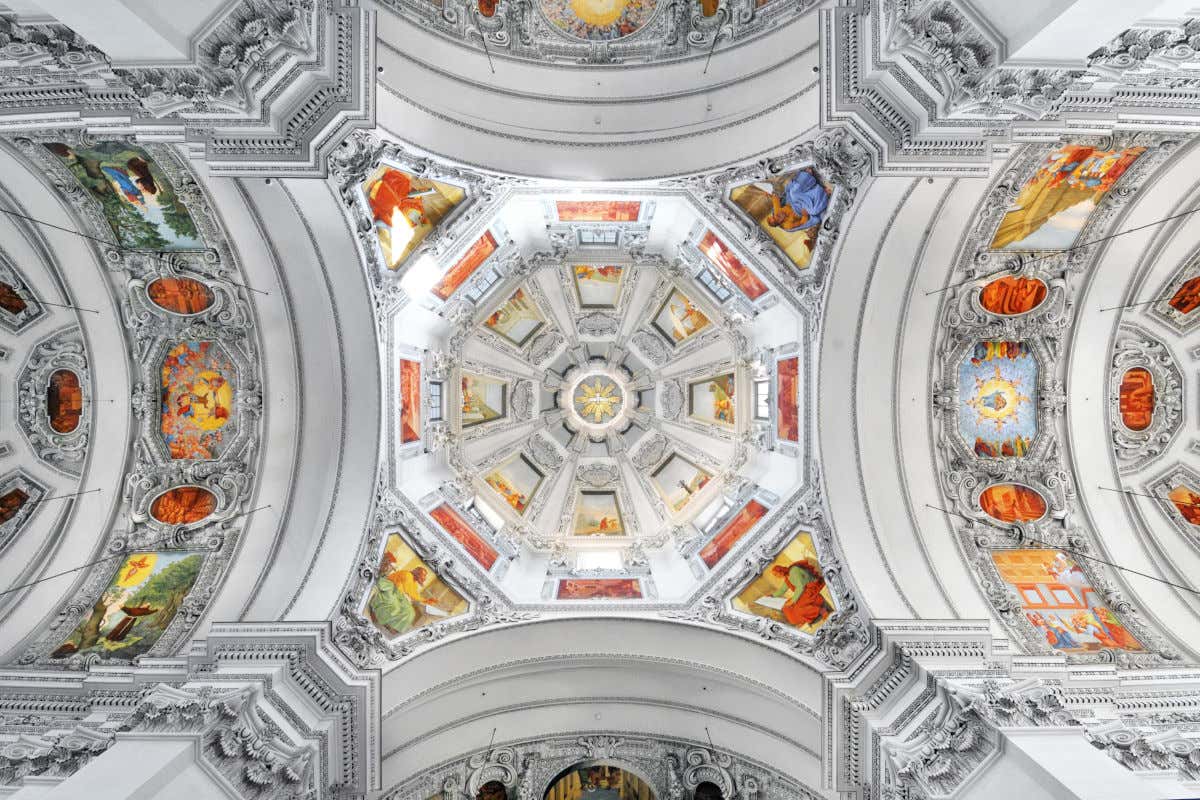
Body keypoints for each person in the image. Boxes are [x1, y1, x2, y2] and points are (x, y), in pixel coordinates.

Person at [770, 558, 832, 627]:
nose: (777, 577)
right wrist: (772, 595)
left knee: (799, 608)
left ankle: (821, 611)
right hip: (803, 591)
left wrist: (793, 601)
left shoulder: (794, 571)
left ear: (780, 571)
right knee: (786, 608)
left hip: (810, 587)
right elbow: (782, 589)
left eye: (776, 574)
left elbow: (800, 587)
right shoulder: (787, 577)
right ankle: (804, 619)